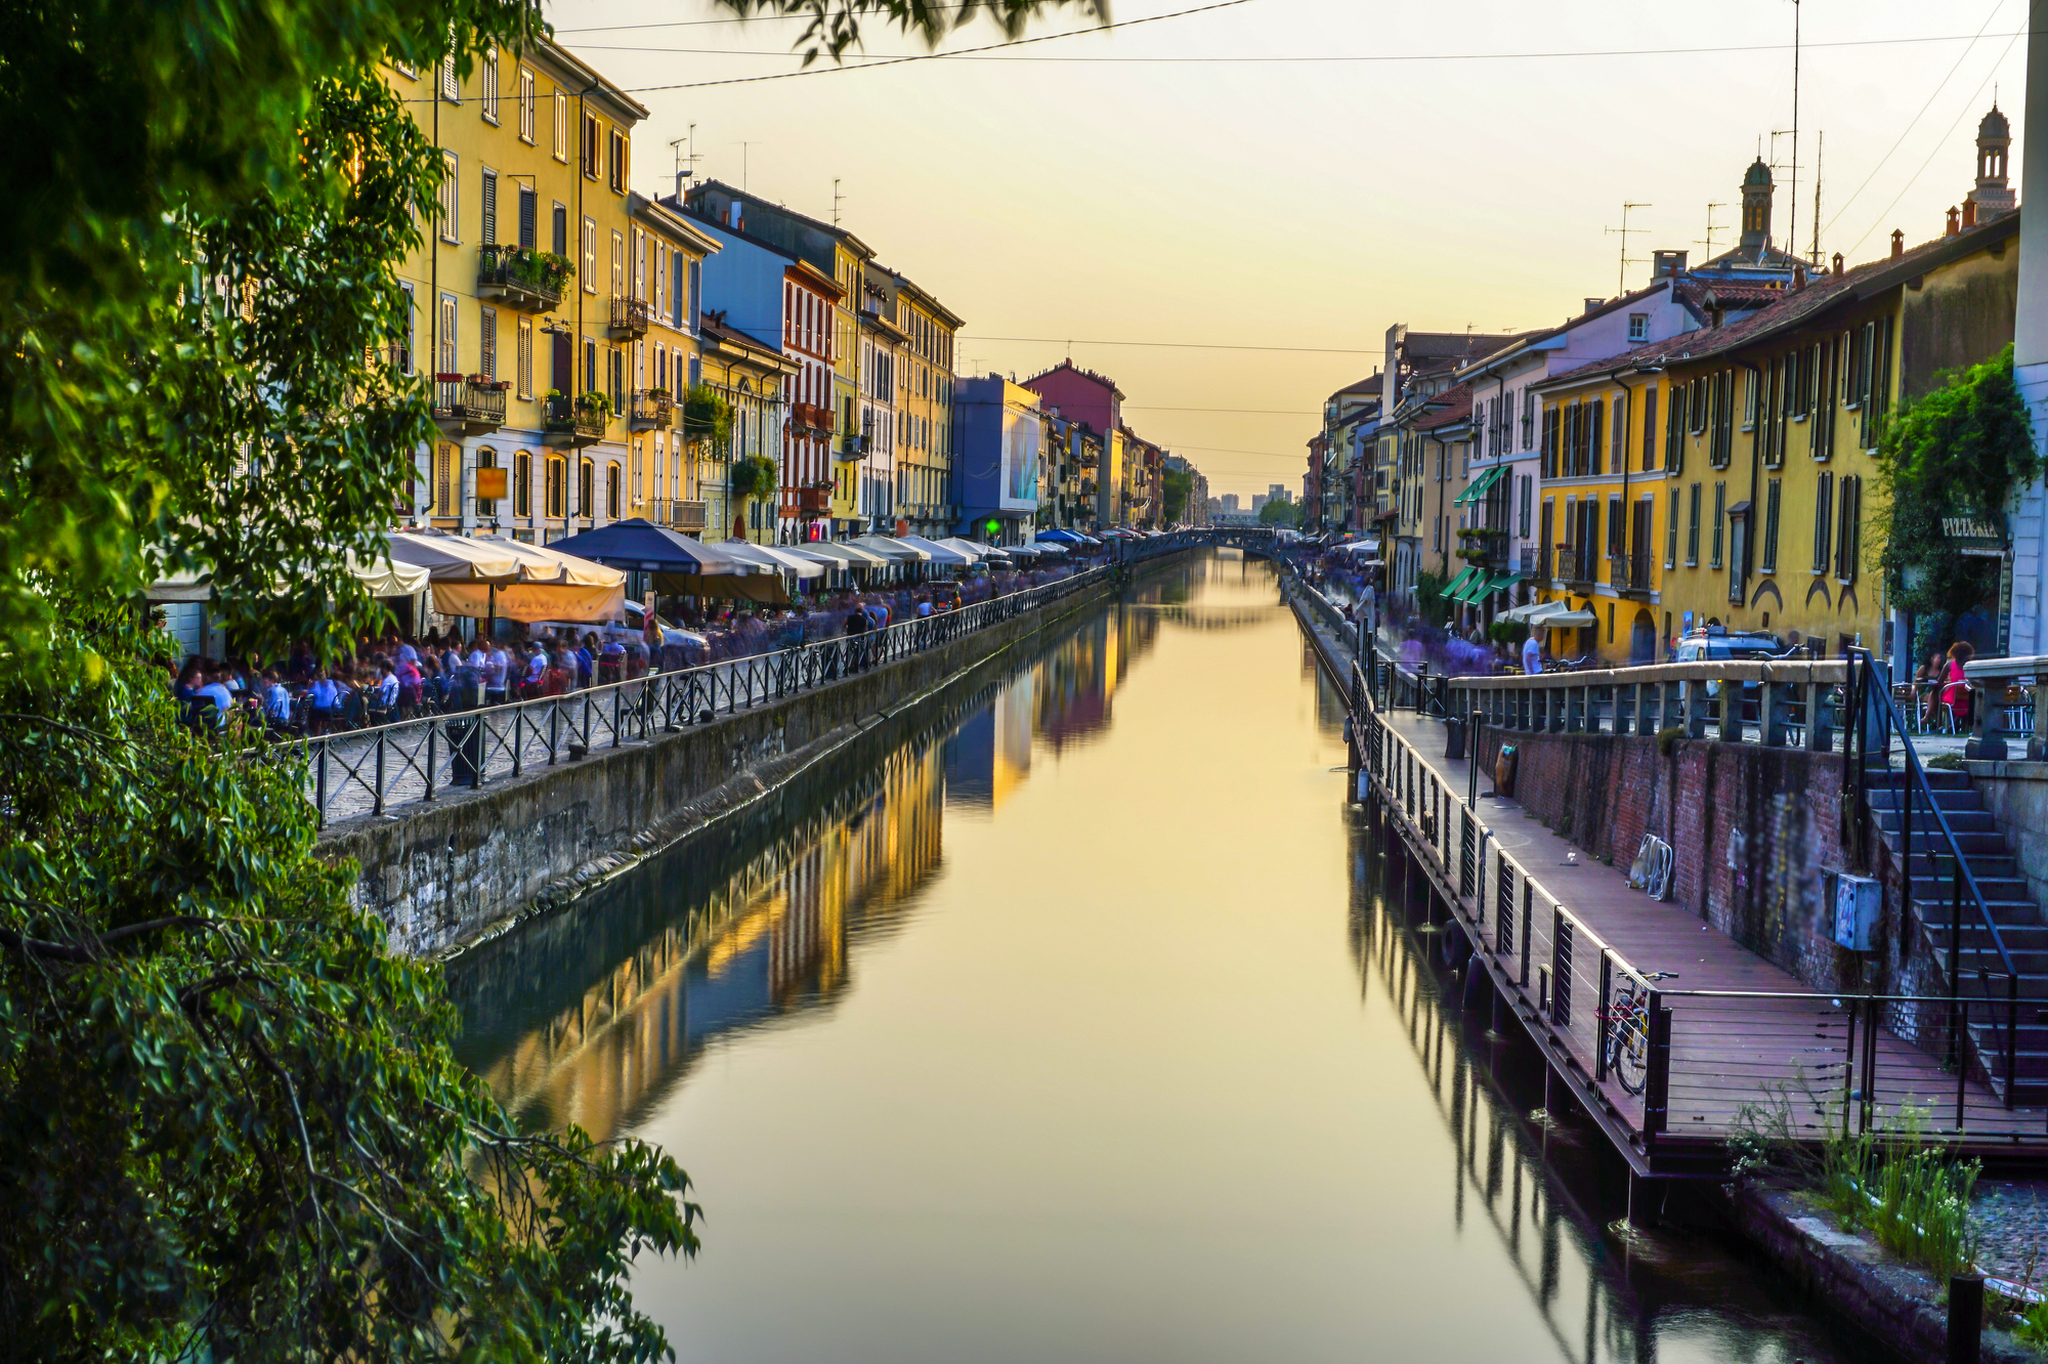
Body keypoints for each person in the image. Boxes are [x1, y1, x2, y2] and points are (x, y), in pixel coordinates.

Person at [1941, 641, 1976, 729]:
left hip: (1952, 698)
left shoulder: (1949, 665)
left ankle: (1937, 720)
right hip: (1968, 697)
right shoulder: (1971, 665)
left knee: (1937, 695)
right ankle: (1960, 722)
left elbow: (1939, 681)